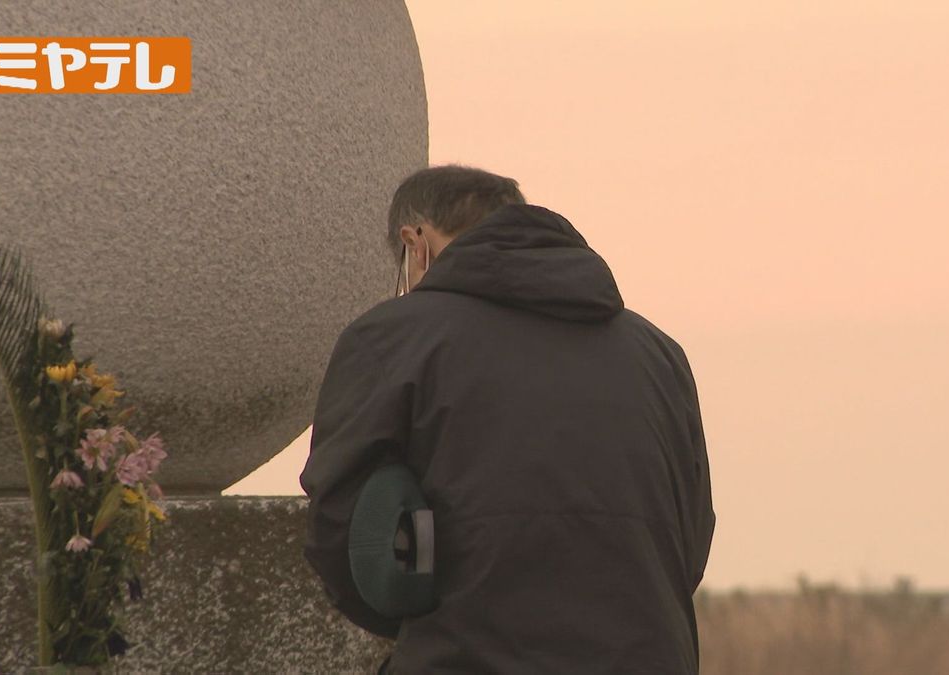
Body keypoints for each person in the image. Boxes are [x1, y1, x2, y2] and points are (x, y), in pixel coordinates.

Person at [299, 164, 716, 674]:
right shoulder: (659, 354)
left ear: (416, 242)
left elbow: (341, 529)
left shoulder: (389, 339)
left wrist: (415, 620)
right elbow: (691, 536)